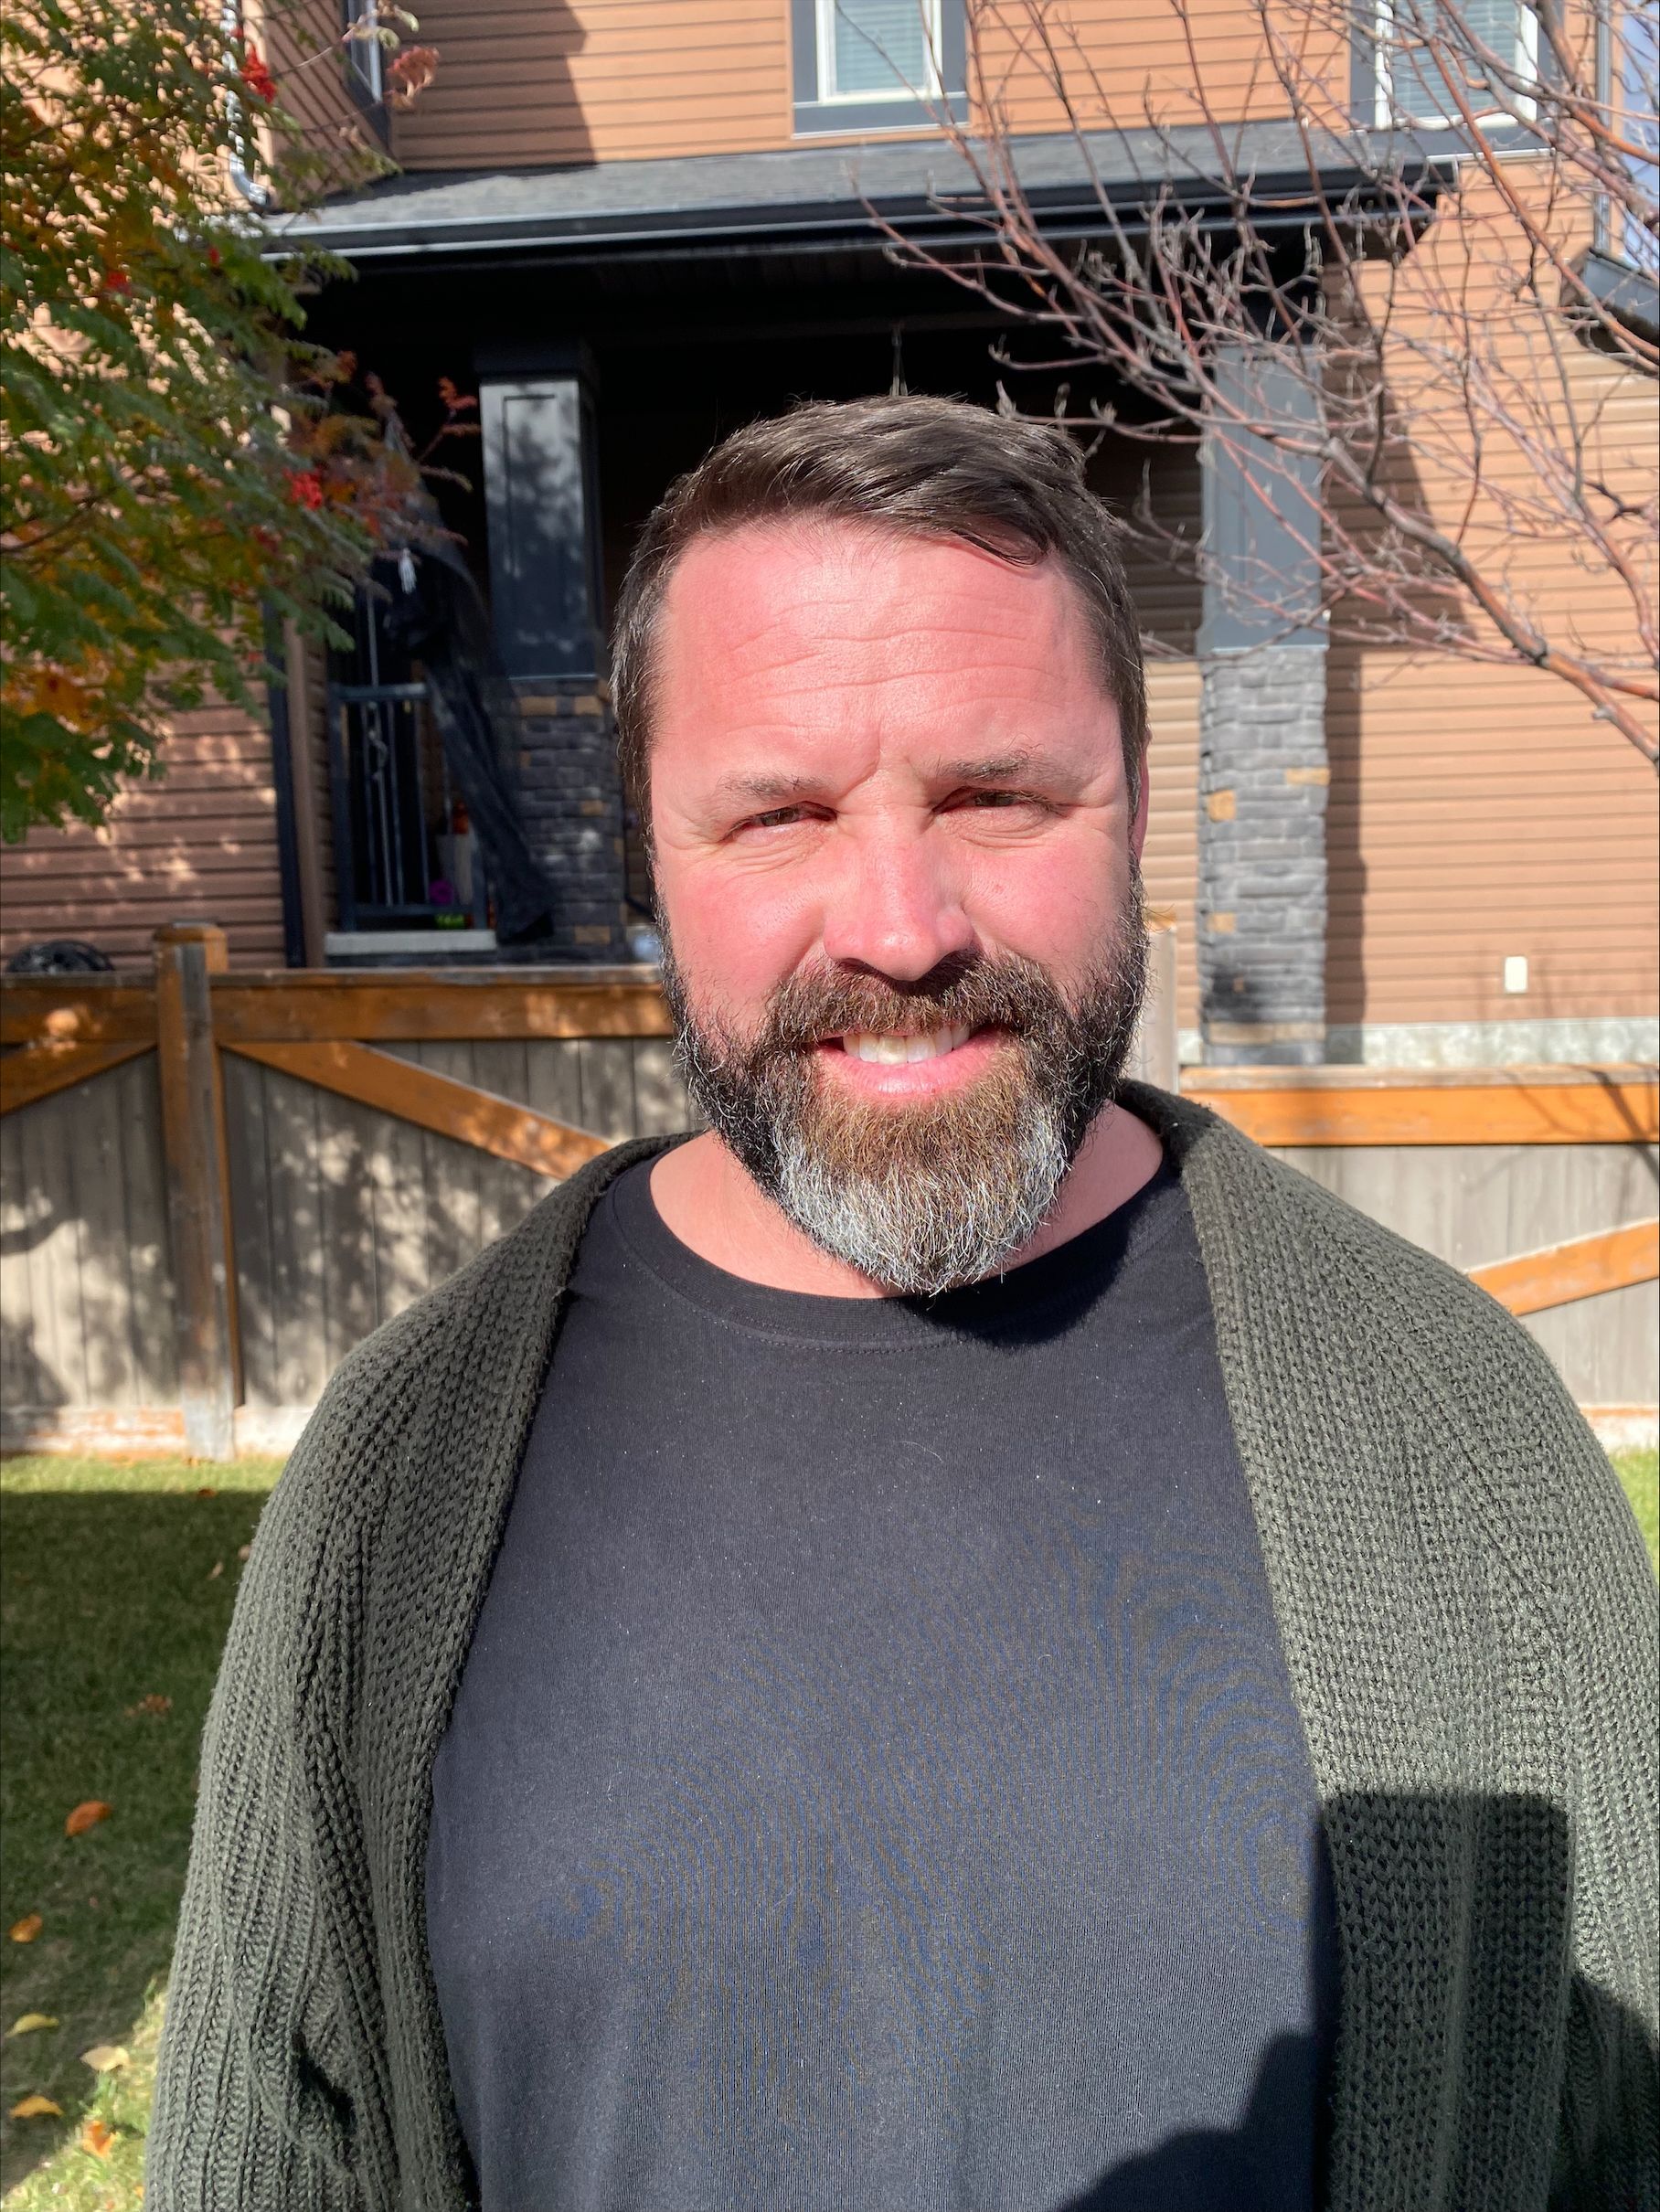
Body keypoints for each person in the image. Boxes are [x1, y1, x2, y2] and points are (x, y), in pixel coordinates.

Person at [147, 398, 1657, 2211]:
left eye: (993, 794)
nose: (900, 924)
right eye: (775, 812)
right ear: (648, 855)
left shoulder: (1451, 1440)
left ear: (1133, 810)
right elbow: (267, 2151)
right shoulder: (398, 1477)